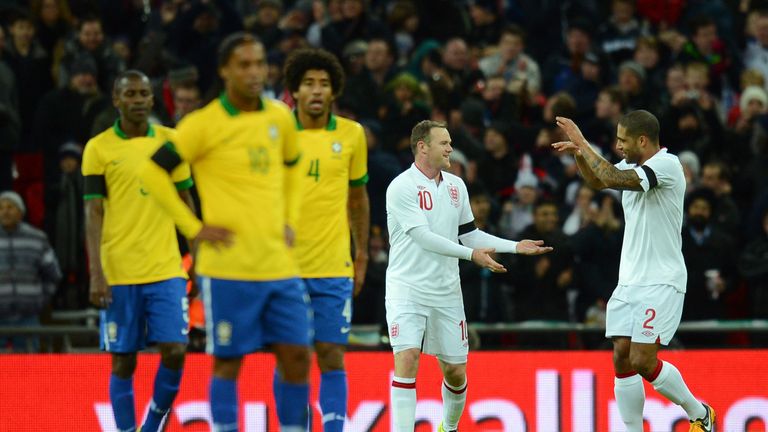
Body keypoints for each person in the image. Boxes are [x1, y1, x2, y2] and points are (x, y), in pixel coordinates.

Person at [138, 33, 310, 432]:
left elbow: (294, 167)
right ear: (224, 70)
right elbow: (151, 169)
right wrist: (193, 229)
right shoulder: (202, 124)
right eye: (244, 64)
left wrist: (290, 220)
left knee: (298, 356)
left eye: (259, 62)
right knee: (230, 362)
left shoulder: (280, 117)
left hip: (278, 265)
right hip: (228, 267)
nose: (255, 72)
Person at [552, 110, 715, 432]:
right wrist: (580, 156)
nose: (618, 145)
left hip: (661, 280)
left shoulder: (668, 165)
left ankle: (700, 413)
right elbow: (600, 180)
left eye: (623, 140)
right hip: (629, 281)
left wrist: (583, 143)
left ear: (643, 140)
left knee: (642, 359)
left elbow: (614, 179)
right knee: (621, 357)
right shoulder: (631, 166)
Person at [386, 120, 552, 432]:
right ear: (422, 147)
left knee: (456, 373)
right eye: (444, 143)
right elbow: (423, 237)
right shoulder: (401, 187)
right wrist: (471, 256)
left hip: (446, 291)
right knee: (407, 359)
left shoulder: (456, 186)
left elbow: (469, 235)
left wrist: (515, 246)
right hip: (407, 288)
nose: (450, 148)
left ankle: (448, 428)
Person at [83, 70, 195, 432]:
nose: (137, 100)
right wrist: (97, 273)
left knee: (176, 351)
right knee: (122, 361)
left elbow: (184, 197)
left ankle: (154, 423)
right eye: (129, 94)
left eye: (143, 94)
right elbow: (93, 211)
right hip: (119, 271)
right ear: (116, 100)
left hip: (166, 268)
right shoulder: (99, 148)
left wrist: (199, 250)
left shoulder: (170, 142)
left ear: (152, 99)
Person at [279, 47, 370, 432]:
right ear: (294, 92)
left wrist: (362, 254)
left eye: (324, 84)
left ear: (334, 92)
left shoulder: (351, 135)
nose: (317, 91)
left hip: (334, 265)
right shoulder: (276, 135)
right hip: (284, 267)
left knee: (332, 354)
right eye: (308, 84)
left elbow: (358, 198)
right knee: (292, 357)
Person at [0, 191, 61, 352]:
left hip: (28, 317)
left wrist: (39, 300)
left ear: (21, 212)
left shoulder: (37, 238)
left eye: (10, 207)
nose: (5, 211)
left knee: (28, 371)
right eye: (1, 208)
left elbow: (53, 275)